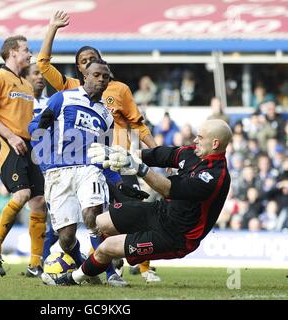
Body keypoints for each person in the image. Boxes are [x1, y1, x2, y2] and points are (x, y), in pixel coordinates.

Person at [37, 10, 158, 282]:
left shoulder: (117, 95)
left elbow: (137, 123)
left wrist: (157, 154)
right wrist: (53, 28)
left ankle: (132, 269)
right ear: (81, 71)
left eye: (98, 65)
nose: (98, 73)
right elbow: (43, 65)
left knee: (102, 217)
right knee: (67, 235)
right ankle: (83, 265)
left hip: (108, 163)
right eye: (85, 63)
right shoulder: (65, 92)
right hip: (63, 168)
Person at [41, 119, 233, 286]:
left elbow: (168, 189)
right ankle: (93, 262)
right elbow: (158, 155)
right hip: (160, 212)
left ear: (215, 143)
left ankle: (73, 278)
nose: (194, 140)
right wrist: (121, 154)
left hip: (177, 236)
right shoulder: (192, 153)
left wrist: (137, 167)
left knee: (106, 248)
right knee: (100, 222)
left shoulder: (216, 177)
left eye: (200, 137)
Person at [30, 59, 129, 287]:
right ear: (85, 75)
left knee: (93, 216)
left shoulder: (106, 115)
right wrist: (42, 137)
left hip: (89, 169)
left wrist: (119, 182)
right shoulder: (63, 98)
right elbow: (33, 128)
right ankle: (87, 267)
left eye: (105, 77)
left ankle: (111, 273)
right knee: (65, 237)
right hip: (58, 171)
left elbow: (103, 153)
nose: (101, 80)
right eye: (97, 75)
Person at [0, 35, 46, 277]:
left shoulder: (27, 86)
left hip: (28, 146)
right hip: (7, 142)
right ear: (12, 53)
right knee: (23, 193)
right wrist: (10, 136)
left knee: (39, 201)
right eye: (26, 50)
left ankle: (36, 264)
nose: (30, 54)